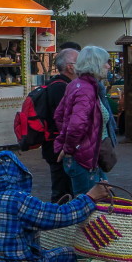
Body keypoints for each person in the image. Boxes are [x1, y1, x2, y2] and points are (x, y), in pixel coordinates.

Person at [53, 46, 113, 196]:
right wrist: (70, 147)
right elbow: (76, 124)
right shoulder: (86, 89)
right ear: (96, 63)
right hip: (84, 158)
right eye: (106, 62)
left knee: (100, 199)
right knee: (87, 205)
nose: (108, 66)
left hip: (88, 156)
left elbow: (60, 116)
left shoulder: (79, 85)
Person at [39, 48, 78, 198]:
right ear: (70, 67)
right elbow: (64, 118)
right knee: (62, 189)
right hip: (57, 145)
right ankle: (59, 218)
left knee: (64, 186)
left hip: (55, 144)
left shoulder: (57, 83)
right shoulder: (61, 87)